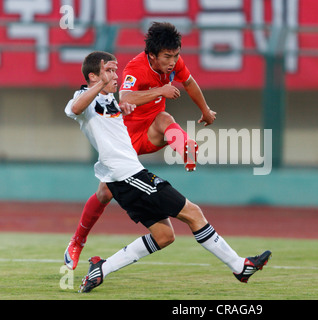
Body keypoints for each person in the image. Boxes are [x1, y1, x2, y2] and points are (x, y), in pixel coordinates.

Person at [64, 51, 271, 293]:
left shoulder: (109, 102)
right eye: (109, 71)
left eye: (115, 70)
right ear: (92, 76)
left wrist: (123, 107)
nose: (115, 76)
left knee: (164, 235)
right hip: (130, 177)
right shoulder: (83, 97)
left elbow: (110, 120)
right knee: (193, 213)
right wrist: (103, 86)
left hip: (124, 178)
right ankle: (239, 266)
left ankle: (102, 269)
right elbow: (75, 108)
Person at [64, 22, 217, 270]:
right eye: (167, 56)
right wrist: (161, 91)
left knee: (165, 119)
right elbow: (125, 97)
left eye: (176, 55)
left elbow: (189, 83)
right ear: (152, 54)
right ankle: (78, 240)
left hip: (151, 130)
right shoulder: (135, 67)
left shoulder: (173, 63)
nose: (173, 61)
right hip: (126, 143)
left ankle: (184, 147)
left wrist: (205, 110)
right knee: (104, 193)